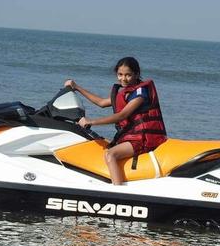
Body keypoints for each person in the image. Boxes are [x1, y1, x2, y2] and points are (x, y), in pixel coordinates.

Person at [64, 57, 167, 185]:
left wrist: (91, 122)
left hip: (144, 138)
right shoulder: (125, 93)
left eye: (128, 75)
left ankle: (118, 192)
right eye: (120, 74)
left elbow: (122, 115)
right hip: (133, 137)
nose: (123, 79)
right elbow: (101, 102)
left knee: (110, 154)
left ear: (137, 74)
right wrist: (77, 87)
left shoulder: (141, 93)